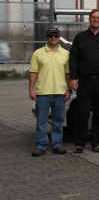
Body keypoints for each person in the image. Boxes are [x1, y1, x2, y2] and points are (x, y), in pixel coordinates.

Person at [69, 9, 99, 154]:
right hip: (84, 81)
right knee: (83, 113)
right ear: (89, 19)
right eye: (93, 17)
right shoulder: (80, 37)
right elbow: (73, 59)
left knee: (98, 113)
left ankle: (96, 142)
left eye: (98, 18)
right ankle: (79, 143)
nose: (95, 20)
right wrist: (73, 78)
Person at [29, 27, 71, 156]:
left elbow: (68, 73)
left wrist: (69, 90)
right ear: (47, 37)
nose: (53, 38)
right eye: (51, 36)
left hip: (60, 93)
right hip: (42, 93)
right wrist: (31, 89)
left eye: (56, 36)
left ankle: (57, 144)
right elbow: (33, 72)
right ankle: (40, 145)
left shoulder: (65, 54)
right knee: (41, 121)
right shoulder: (38, 53)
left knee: (58, 121)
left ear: (59, 38)